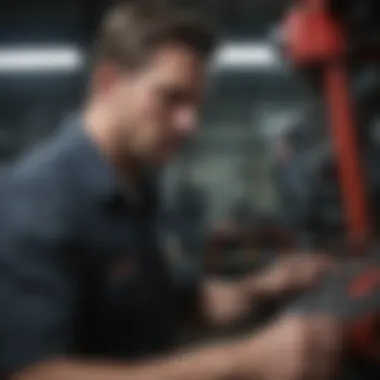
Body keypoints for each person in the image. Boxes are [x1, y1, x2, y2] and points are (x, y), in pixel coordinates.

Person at [0, 1, 343, 380]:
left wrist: (264, 285)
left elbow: (171, 306)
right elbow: (34, 373)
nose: (189, 125)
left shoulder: (137, 187)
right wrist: (243, 361)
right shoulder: (32, 201)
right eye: (171, 98)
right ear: (108, 83)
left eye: (195, 105)